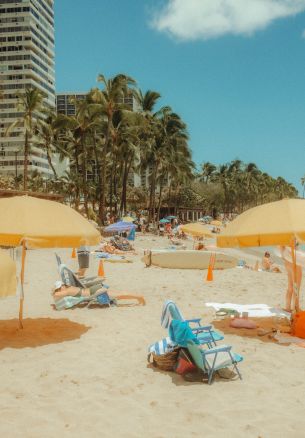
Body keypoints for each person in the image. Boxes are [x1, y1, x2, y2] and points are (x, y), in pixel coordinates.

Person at [279, 245, 303, 312]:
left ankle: (288, 308)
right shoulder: (293, 236)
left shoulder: (283, 238)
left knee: (290, 287)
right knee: (296, 288)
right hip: (295, 262)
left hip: (287, 262)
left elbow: (281, 249)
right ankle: (296, 308)